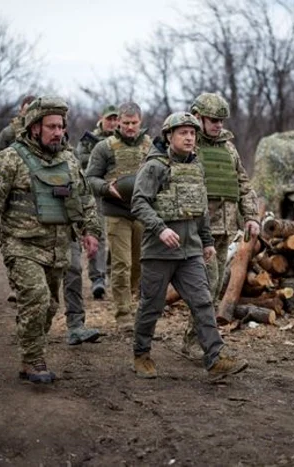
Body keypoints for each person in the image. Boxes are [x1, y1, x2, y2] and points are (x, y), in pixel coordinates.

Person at [0, 96, 101, 384]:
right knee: (36, 298)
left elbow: (84, 198)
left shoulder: (68, 159)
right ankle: (34, 361)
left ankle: (27, 354)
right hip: (22, 244)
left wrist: (90, 231)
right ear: (34, 128)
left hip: (57, 247)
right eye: (52, 126)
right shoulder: (11, 158)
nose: (58, 132)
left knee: (49, 307)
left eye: (61, 126)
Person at [131, 111, 248, 380]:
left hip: (190, 251)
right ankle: (141, 354)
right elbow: (138, 203)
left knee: (203, 301)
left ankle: (215, 357)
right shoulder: (155, 166)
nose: (189, 137)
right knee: (152, 305)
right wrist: (160, 229)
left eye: (192, 133)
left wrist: (206, 241)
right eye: (183, 132)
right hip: (159, 252)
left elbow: (201, 210)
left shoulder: (196, 167)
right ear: (169, 136)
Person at [182, 93, 261, 357]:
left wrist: (251, 216)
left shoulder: (228, 148)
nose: (218, 125)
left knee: (212, 288)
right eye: (213, 120)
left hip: (225, 229)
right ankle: (197, 341)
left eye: (221, 121)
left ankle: (199, 339)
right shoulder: (187, 146)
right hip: (196, 231)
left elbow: (243, 183)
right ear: (198, 117)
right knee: (205, 286)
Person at [86, 102, 151, 332]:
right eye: (126, 123)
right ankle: (123, 314)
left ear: (140, 122)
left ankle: (132, 299)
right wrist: (105, 188)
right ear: (119, 123)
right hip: (116, 212)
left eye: (134, 123)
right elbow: (90, 178)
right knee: (121, 263)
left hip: (142, 213)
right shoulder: (105, 147)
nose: (130, 127)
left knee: (138, 265)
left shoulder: (149, 145)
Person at [63, 104, 118, 345]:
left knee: (100, 238)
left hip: (107, 194)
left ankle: (98, 279)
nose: (114, 123)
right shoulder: (86, 143)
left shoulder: (119, 141)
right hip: (82, 197)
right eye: (111, 119)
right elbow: (81, 165)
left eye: (117, 119)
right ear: (101, 119)